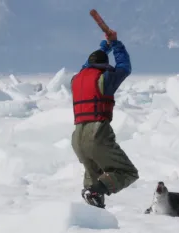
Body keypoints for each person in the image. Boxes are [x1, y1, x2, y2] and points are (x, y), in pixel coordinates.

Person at [70, 29, 139, 209]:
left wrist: (105, 46)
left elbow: (88, 65)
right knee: (127, 172)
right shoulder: (105, 78)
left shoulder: (76, 79)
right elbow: (124, 66)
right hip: (97, 132)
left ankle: (91, 217)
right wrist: (116, 44)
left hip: (77, 138)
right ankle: (95, 192)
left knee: (93, 181)